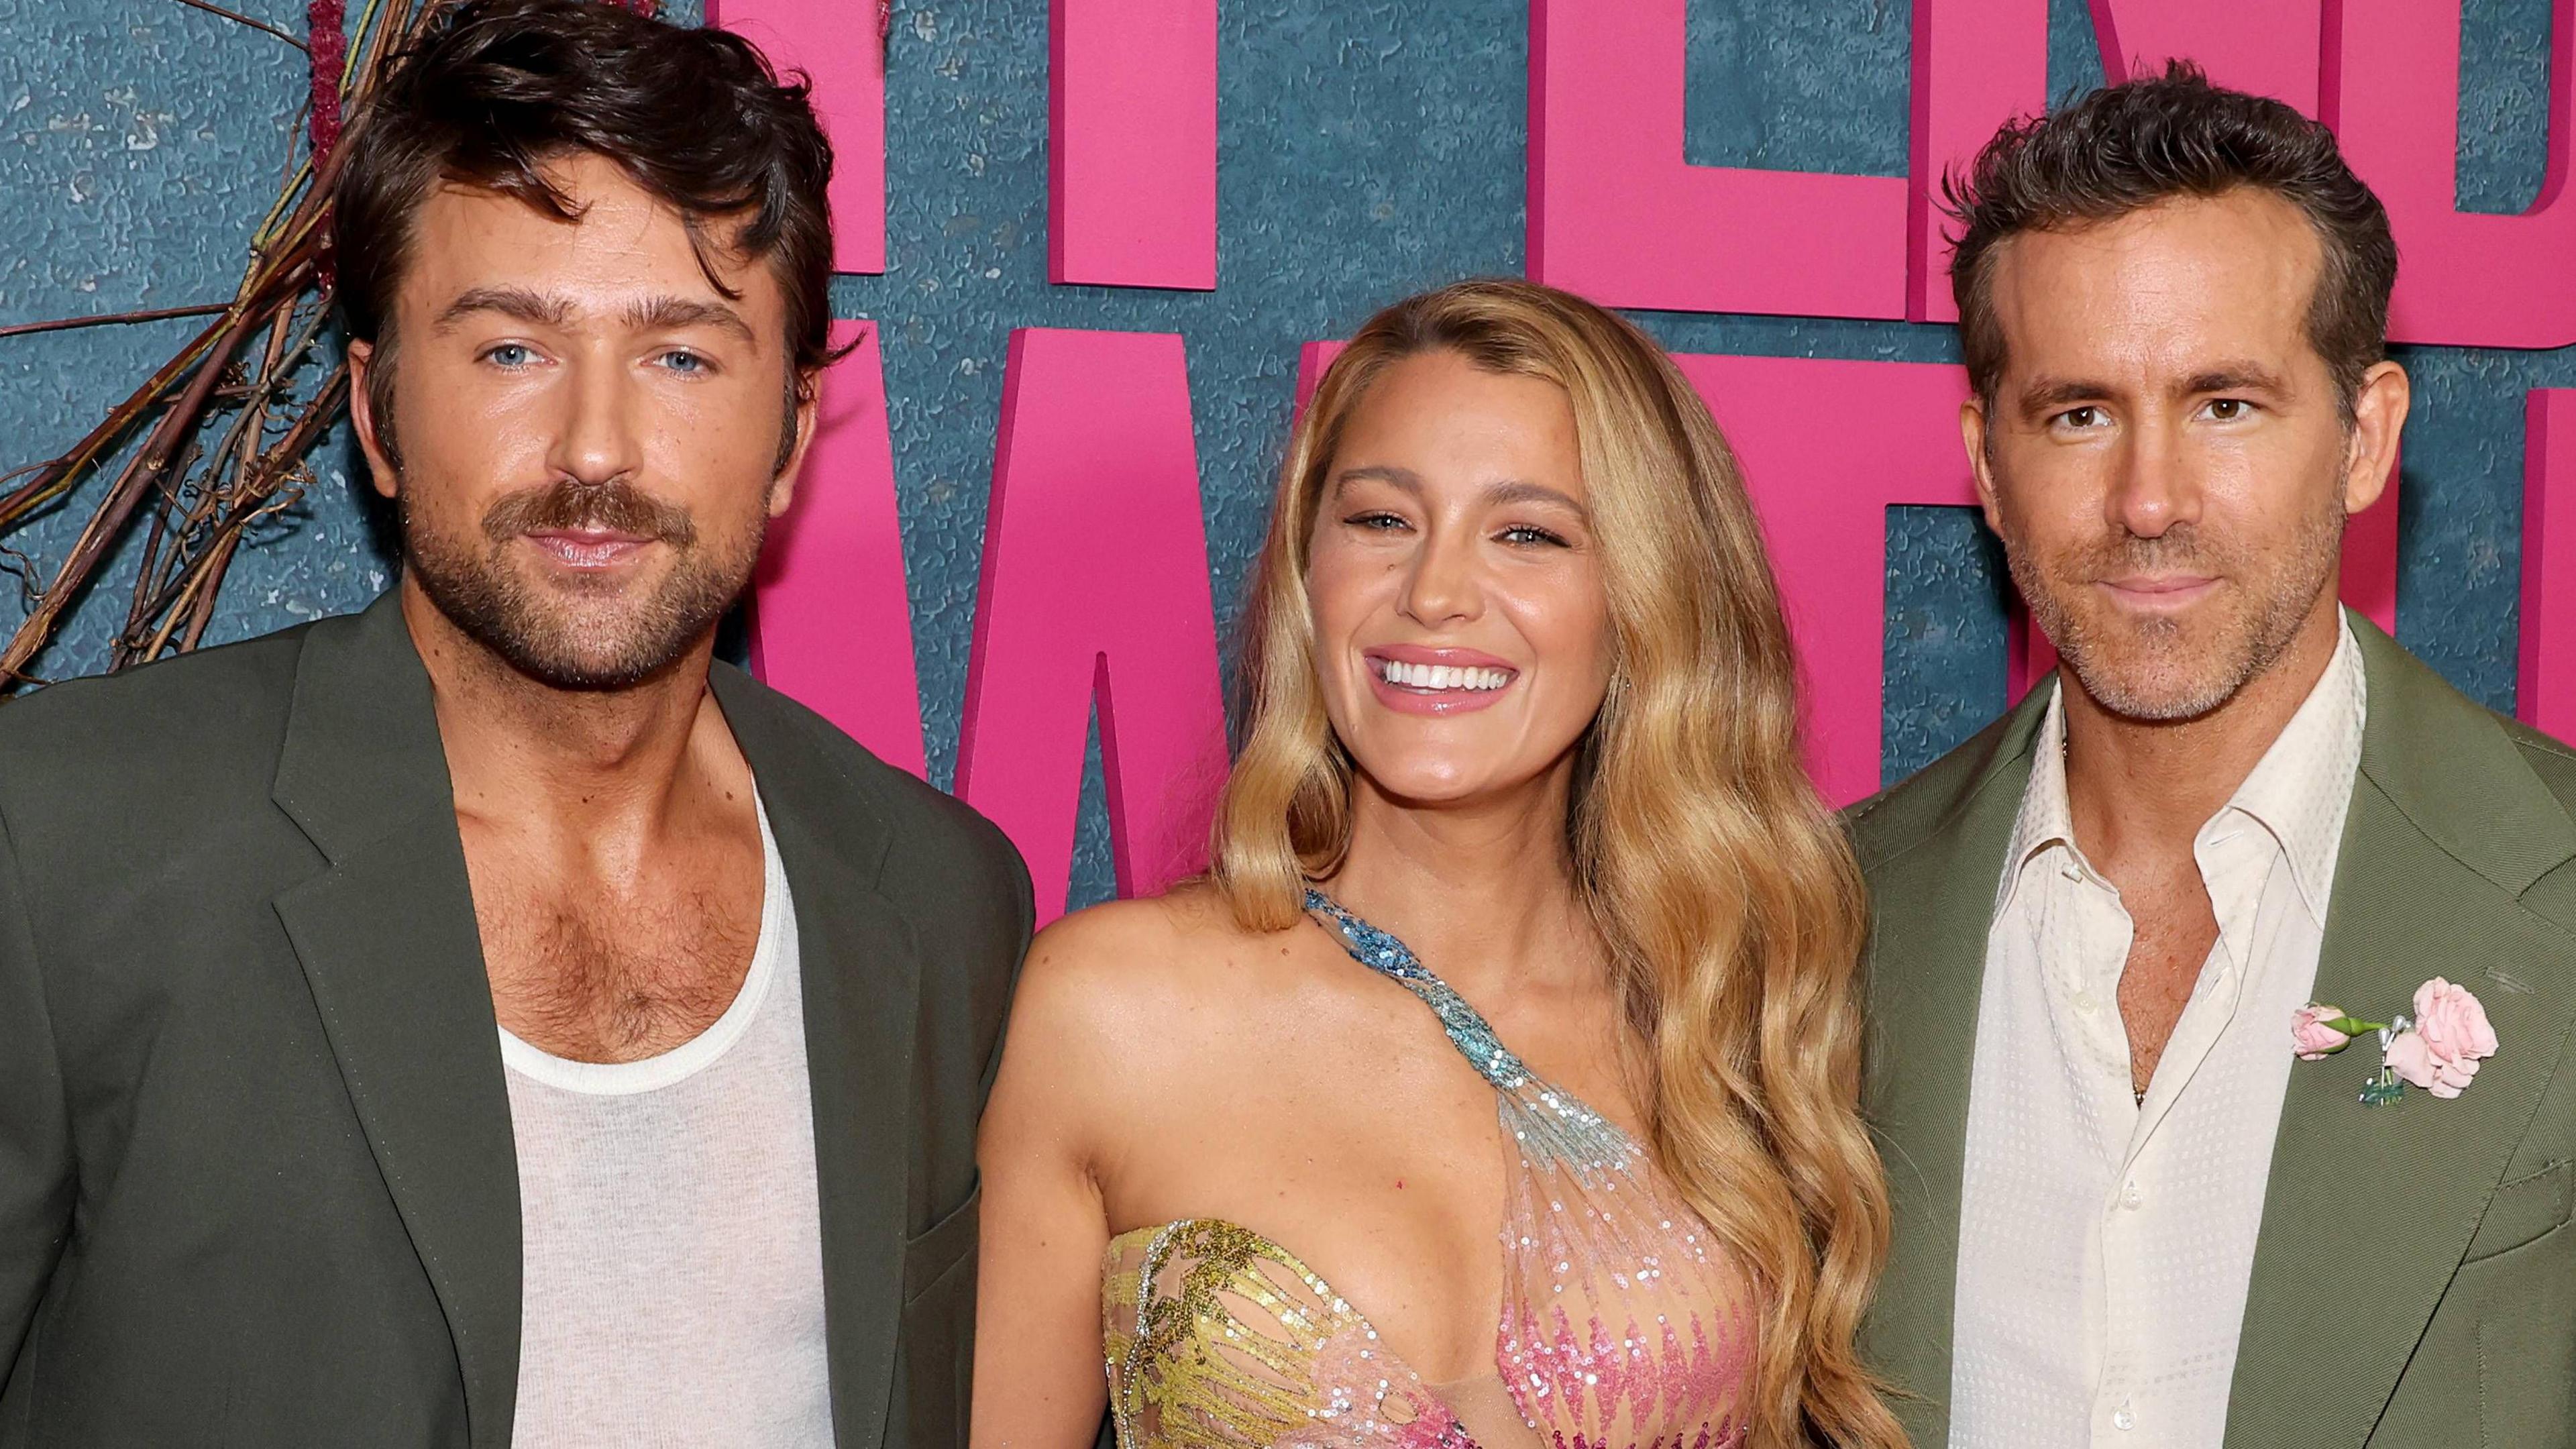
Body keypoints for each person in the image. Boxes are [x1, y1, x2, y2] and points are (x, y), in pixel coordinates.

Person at [0, 2, 1030, 1444]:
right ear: (375, 413)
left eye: (682, 356)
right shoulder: (63, 846)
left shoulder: (938, 901)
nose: (596, 449)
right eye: (508, 352)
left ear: (793, 432)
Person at [971, 278, 1902, 1449]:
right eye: (1381, 520)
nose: (1436, 594)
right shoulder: (1112, 1011)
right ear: (1308, 575)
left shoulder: (1738, 1020)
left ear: (1645, 596)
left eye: (1529, 534)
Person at [1854, 64, 2576, 1447]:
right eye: (2078, 414)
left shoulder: (2559, 885)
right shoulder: (1819, 921)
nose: (2148, 501)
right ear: (1987, 466)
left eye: (2225, 405)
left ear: (2364, 438)